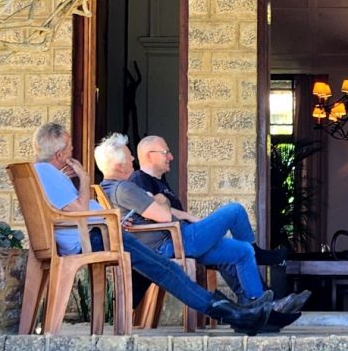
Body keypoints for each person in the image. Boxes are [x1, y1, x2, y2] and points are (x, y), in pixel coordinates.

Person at [31, 122, 272, 334]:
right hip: (100, 237)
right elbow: (79, 208)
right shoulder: (52, 174)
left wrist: (110, 218)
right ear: (61, 154)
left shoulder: (44, 173)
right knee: (170, 270)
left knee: (227, 253)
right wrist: (84, 179)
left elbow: (74, 210)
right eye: (71, 147)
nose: (74, 151)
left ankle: (243, 309)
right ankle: (233, 313)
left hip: (105, 232)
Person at [94, 133, 309, 317]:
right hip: (173, 242)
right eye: (129, 155)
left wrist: (160, 201)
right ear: (119, 164)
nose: (133, 158)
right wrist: (162, 202)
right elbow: (164, 216)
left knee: (241, 251)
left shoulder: (110, 188)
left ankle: (261, 305)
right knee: (233, 210)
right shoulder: (125, 188)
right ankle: (258, 257)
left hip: (175, 240)